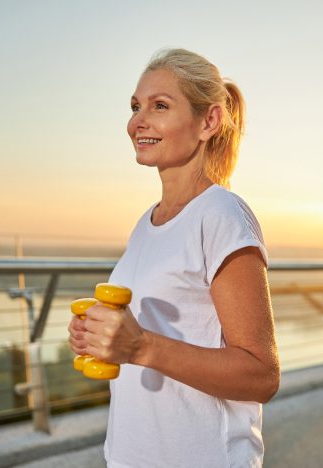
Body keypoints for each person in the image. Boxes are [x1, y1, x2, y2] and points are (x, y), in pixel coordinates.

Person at [68, 48, 280, 468]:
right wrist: (100, 336)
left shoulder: (221, 214)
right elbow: (152, 333)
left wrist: (141, 346)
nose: (137, 122)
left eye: (159, 106)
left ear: (209, 121)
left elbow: (262, 375)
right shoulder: (145, 224)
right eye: (135, 106)